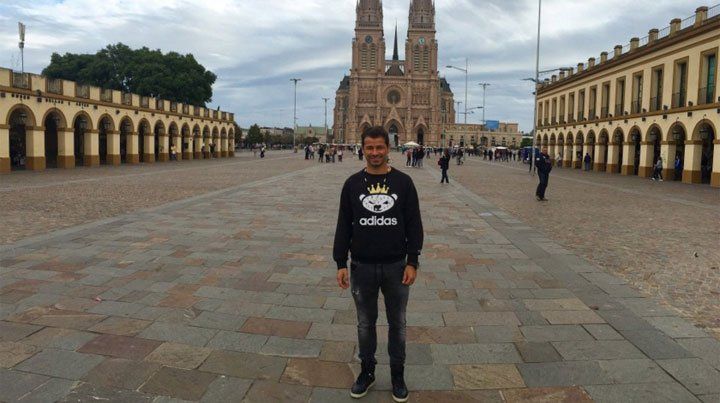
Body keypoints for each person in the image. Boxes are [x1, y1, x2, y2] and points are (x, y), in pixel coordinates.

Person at [334, 126, 423, 403]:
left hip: (396, 266)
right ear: (363, 149)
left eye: (379, 147)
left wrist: (413, 261)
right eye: (370, 147)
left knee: (398, 323)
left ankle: (398, 375)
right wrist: (340, 262)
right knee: (365, 324)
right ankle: (367, 371)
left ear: (388, 148)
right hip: (362, 266)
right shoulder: (352, 184)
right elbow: (343, 225)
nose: (375, 152)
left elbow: (414, 224)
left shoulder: (404, 183)